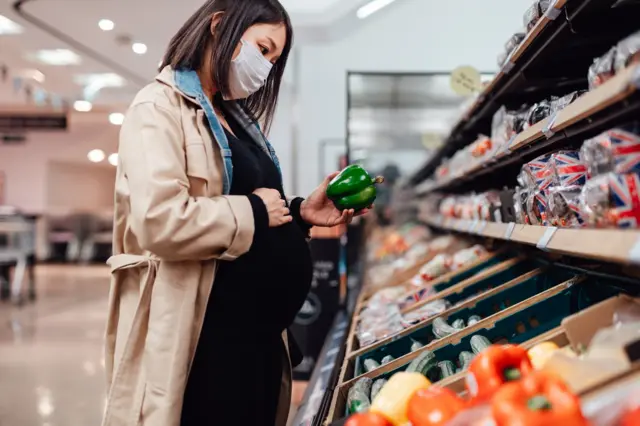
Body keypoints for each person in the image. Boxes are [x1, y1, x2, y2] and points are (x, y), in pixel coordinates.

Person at [102, 1, 367, 426]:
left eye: (274, 60)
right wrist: (256, 212)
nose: (264, 68)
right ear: (219, 25)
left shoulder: (233, 117)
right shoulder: (158, 108)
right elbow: (159, 222)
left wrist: (299, 215)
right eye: (262, 49)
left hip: (256, 343)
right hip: (205, 345)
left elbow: (254, 211)